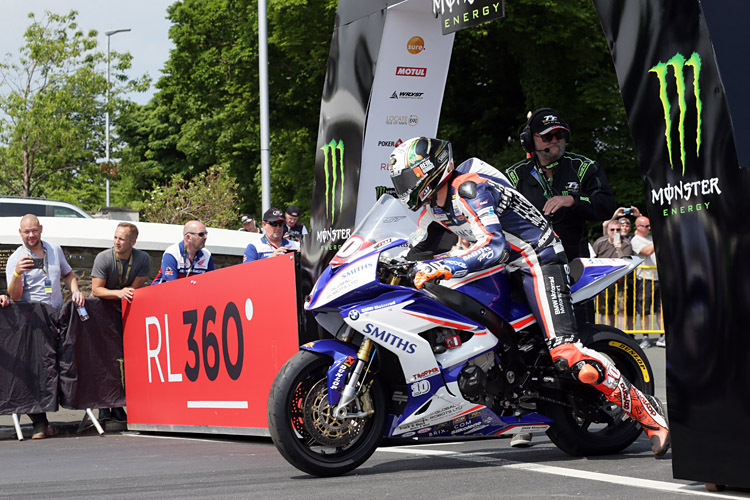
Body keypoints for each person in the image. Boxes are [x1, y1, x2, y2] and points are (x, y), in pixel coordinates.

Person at [388, 137, 669, 457]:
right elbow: (420, 246)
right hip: (506, 267)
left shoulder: (468, 188)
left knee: (567, 354)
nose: (404, 187)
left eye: (406, 179)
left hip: (538, 259)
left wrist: (447, 265)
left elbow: (494, 247)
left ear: (428, 171)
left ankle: (649, 414)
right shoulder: (436, 205)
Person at [5, 214, 86, 439]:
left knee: (60, 367)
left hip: (57, 317)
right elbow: (14, 295)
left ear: (41, 229)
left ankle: (75, 409)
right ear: (20, 233)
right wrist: (17, 274)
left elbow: (68, 274)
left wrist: (76, 290)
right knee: (36, 373)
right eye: (26, 232)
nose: (31, 235)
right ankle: (40, 423)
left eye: (34, 231)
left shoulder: (54, 249)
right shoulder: (15, 258)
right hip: (32, 323)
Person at [506, 109, 617, 262]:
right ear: (530, 140)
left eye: (559, 135)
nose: (554, 140)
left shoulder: (584, 167)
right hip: (529, 265)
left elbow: (607, 206)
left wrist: (572, 200)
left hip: (575, 263)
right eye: (547, 136)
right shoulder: (514, 175)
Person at [91, 222, 151, 424]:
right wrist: (118, 293)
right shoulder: (104, 258)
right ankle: (102, 407)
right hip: (101, 311)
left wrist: (123, 295)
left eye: (122, 238)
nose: (117, 242)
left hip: (123, 312)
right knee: (103, 360)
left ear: (133, 242)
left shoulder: (142, 259)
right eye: (115, 237)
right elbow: (97, 289)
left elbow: (135, 290)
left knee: (123, 361)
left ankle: (118, 405)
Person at [592, 221, 634, 327]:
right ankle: (608, 333)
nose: (615, 232)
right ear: (607, 230)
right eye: (612, 230)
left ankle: (622, 335)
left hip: (621, 281)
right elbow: (591, 258)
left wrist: (619, 248)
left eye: (618, 230)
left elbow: (628, 262)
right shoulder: (600, 242)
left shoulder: (626, 243)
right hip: (604, 280)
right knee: (605, 311)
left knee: (622, 309)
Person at [631, 217, 664, 347]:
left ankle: (662, 335)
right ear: (638, 227)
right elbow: (647, 251)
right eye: (647, 226)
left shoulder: (650, 239)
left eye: (651, 226)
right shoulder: (636, 240)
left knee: (660, 309)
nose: (650, 228)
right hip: (645, 278)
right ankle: (645, 337)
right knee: (644, 310)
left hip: (658, 277)